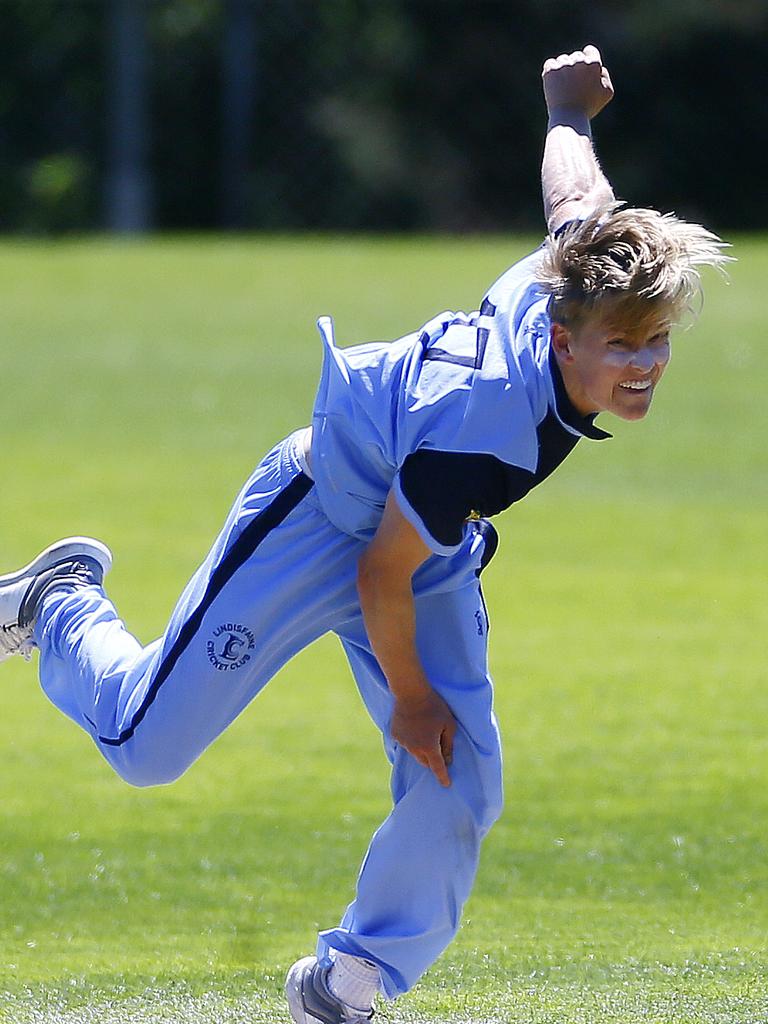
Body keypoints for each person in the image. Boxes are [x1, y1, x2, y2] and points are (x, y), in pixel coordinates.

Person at [0, 45, 728, 1024]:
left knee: (462, 778)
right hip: (326, 515)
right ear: (566, 339)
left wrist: (568, 112)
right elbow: (382, 574)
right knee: (144, 745)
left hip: (420, 538)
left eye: (658, 341)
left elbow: (576, 198)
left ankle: (350, 980)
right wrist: (414, 698)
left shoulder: (581, 273)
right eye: (622, 345)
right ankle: (57, 607)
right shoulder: (491, 421)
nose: (643, 364)